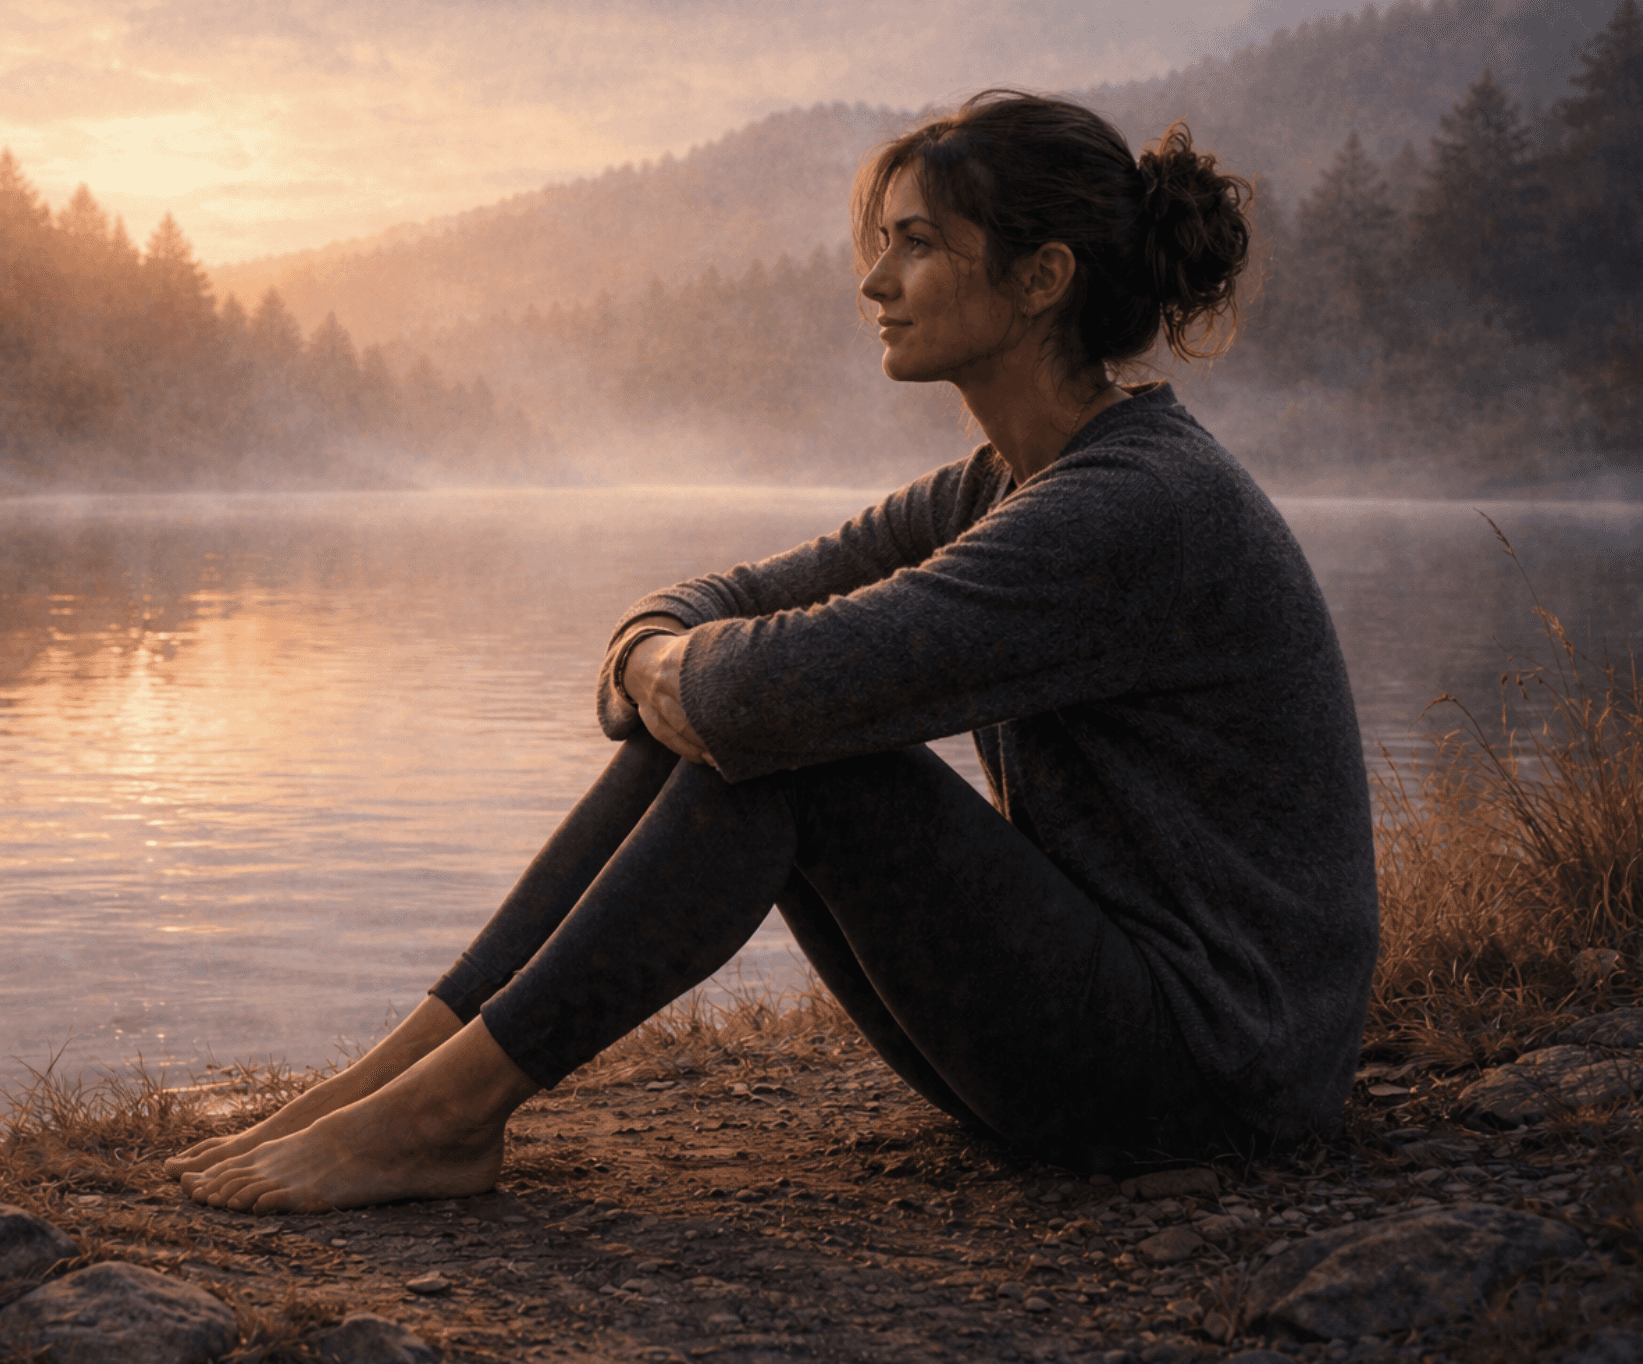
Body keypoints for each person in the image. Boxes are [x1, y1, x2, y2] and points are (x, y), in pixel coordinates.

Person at [166, 90, 1380, 1213]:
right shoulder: (1003, 483)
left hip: (1213, 1079)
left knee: (801, 753)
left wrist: (670, 672)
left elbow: (757, 690)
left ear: (1040, 278)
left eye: (915, 242)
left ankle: (439, 1114)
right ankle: (400, 1080)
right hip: (1131, 1042)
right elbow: (721, 603)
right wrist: (654, 657)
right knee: (757, 720)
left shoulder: (1127, 509)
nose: (874, 279)